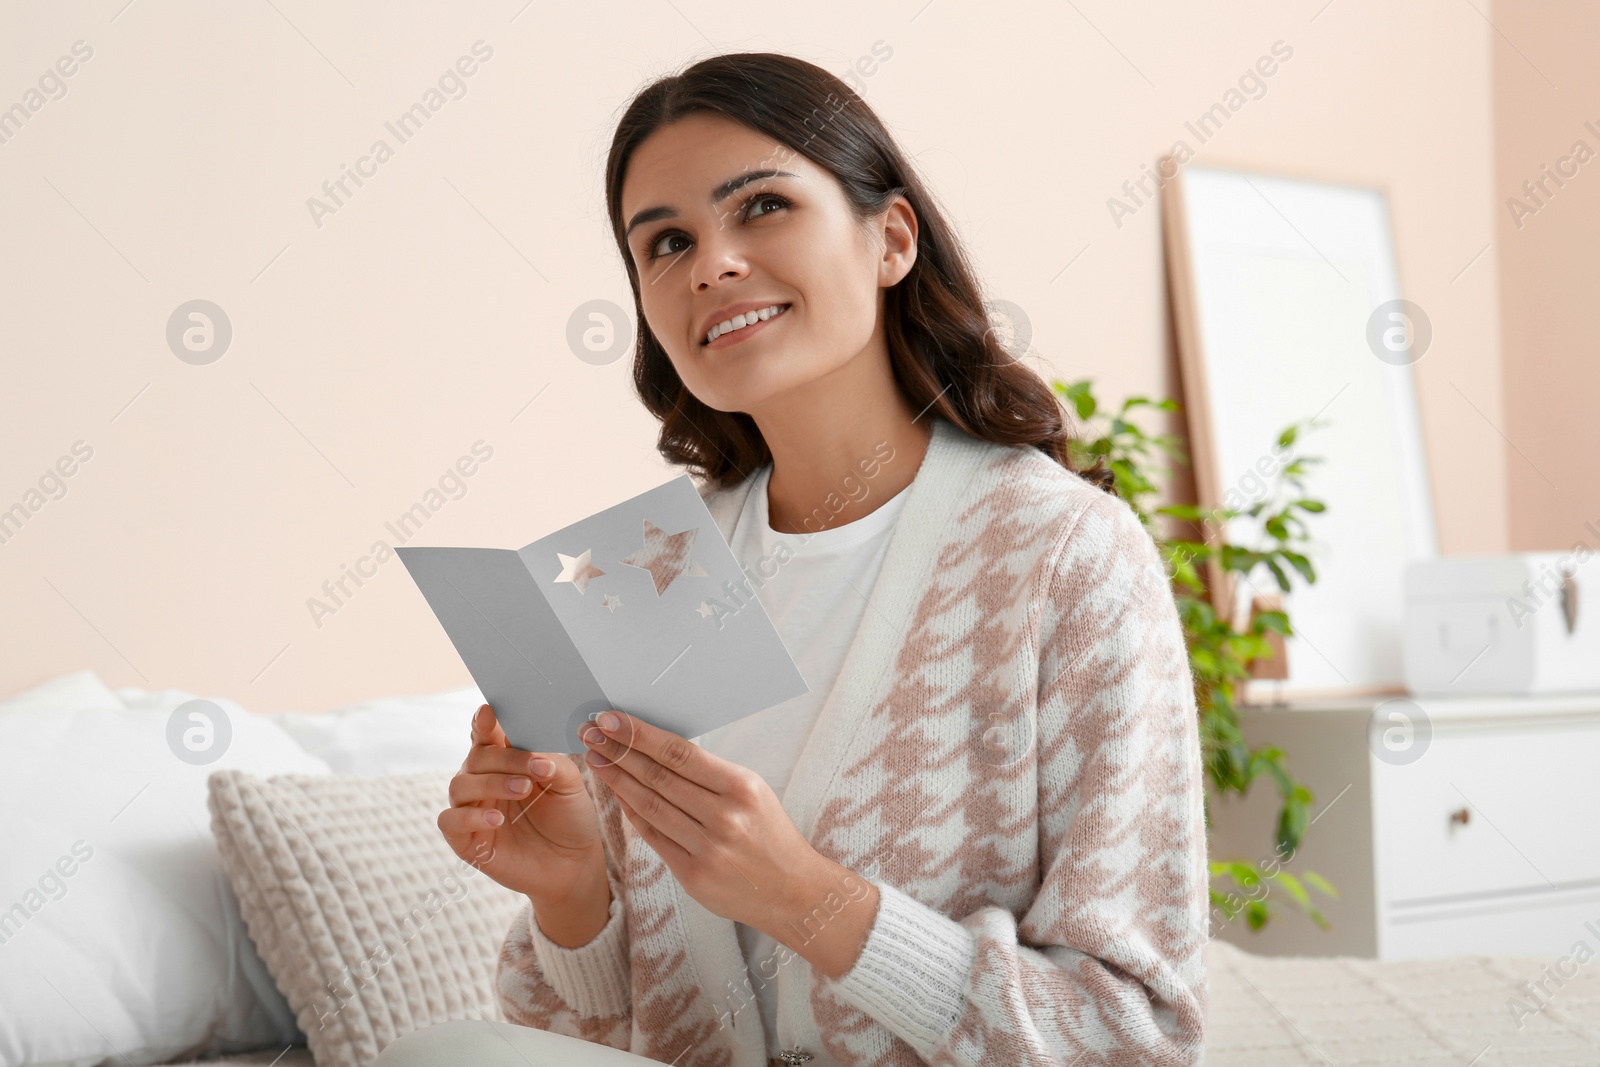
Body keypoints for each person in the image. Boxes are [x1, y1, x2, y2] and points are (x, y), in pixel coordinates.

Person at [373, 50, 1207, 1067]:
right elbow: (581, 1031)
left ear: (890, 238)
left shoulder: (1065, 556)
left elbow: (1136, 1034)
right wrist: (572, 895)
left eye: (760, 206)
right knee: (448, 1052)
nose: (710, 263)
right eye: (666, 242)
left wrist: (806, 900)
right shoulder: (653, 569)